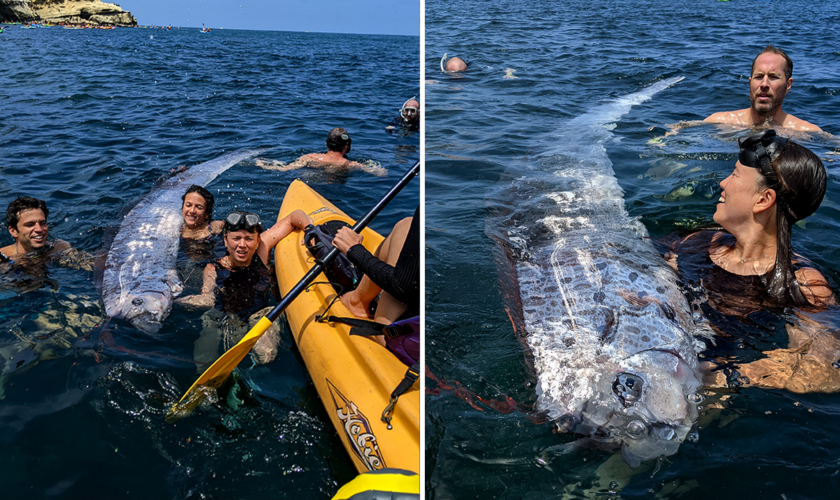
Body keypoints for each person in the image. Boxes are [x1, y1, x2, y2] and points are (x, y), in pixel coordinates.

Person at [664, 130, 837, 392]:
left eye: (734, 174)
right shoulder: (698, 241)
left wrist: (727, 376)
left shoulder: (802, 284)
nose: (723, 183)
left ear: (764, 199)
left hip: (708, 385)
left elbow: (824, 369)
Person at [176, 209, 313, 368]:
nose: (242, 245)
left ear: (257, 240)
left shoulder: (262, 250)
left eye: (249, 239)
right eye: (236, 238)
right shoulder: (212, 268)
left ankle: (252, 370)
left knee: (266, 356)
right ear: (226, 241)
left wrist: (309, 228)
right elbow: (207, 297)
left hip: (261, 313)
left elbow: (293, 217)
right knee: (206, 347)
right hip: (225, 314)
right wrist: (176, 301)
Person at [331, 206, 420, 329]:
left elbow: (401, 286)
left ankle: (357, 302)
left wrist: (354, 251)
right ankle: (358, 300)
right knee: (407, 225)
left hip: (402, 339)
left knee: (406, 227)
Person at [704, 45, 821, 132]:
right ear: (750, 83)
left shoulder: (805, 132)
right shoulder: (718, 123)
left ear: (788, 85)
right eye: (758, 77)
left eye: (773, 77)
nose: (764, 84)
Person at [1, 196, 91, 271]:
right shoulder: (3, 258)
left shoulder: (59, 247)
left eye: (42, 223)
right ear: (13, 231)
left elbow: (88, 264)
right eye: (30, 225)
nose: (39, 229)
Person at [256, 128, 385, 176]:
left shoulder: (310, 157)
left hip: (311, 178)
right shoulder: (350, 164)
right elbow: (380, 173)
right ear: (346, 148)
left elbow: (284, 169)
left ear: (326, 144)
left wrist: (261, 164)